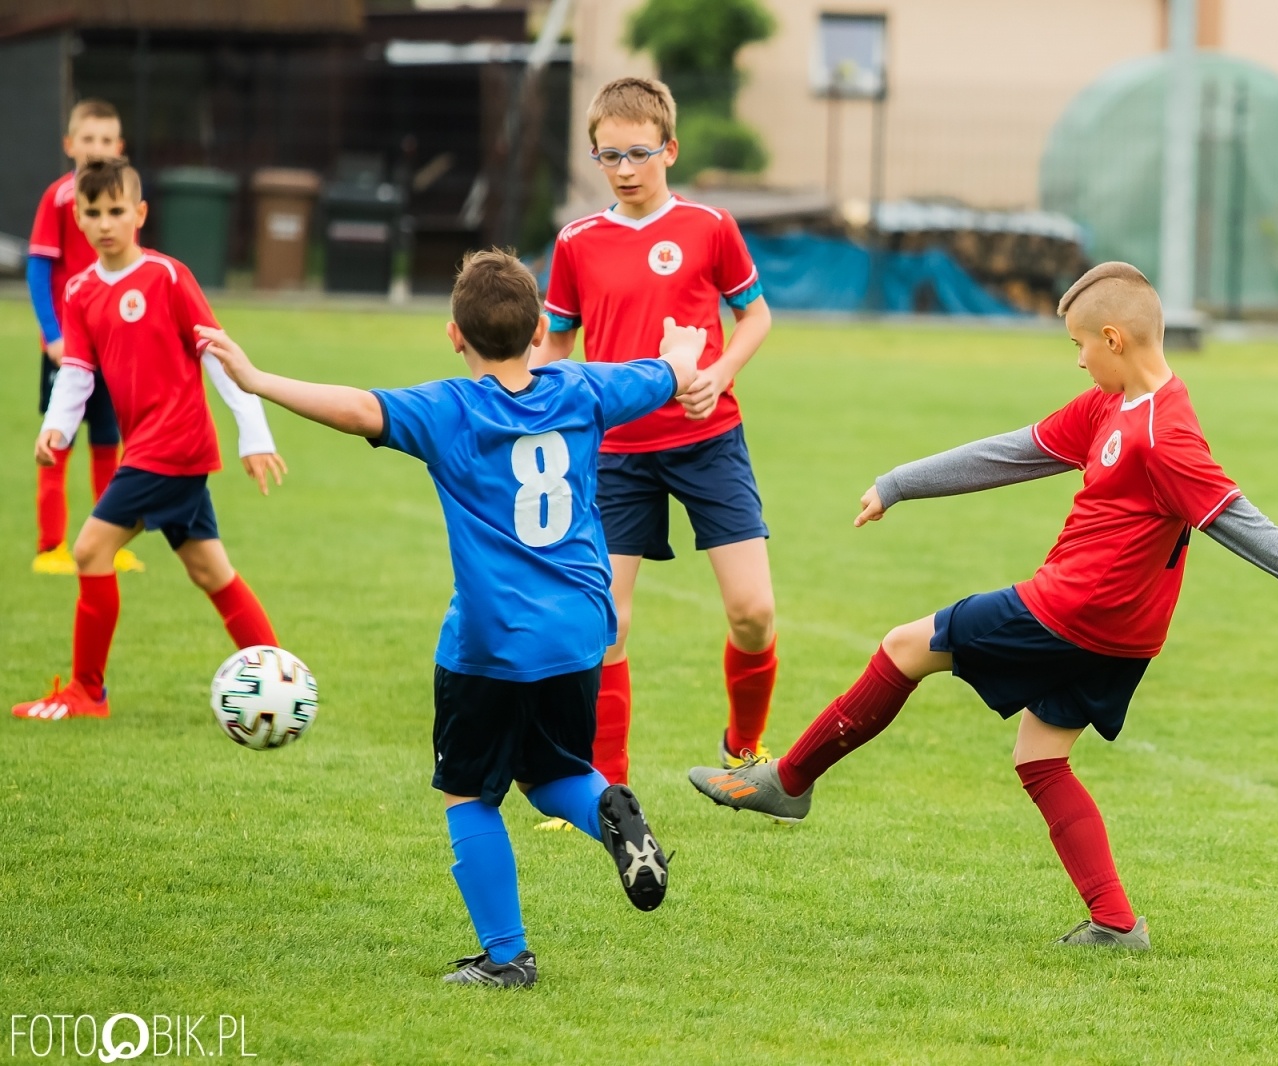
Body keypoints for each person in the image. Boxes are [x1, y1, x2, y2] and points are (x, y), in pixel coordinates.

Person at [689, 262, 1278, 951]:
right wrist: (903, 482)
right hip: (1121, 635)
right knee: (1041, 759)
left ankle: (787, 782)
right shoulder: (1113, 405)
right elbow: (1016, 452)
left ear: (1115, 341)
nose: (1078, 362)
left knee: (906, 646)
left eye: (1080, 346)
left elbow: (1246, 527)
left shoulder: (1164, 433)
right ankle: (1117, 924)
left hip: (1072, 610)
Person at [199, 248, 706, 986]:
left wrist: (255, 381)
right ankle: (610, 808)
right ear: (540, 332)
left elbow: (354, 407)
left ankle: (507, 958)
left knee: (470, 792)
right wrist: (679, 356)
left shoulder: (449, 409)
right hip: (580, 631)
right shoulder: (584, 387)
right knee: (552, 770)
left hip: (491, 643)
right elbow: (667, 376)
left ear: (453, 335)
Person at [539, 76, 778, 799]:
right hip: (614, 455)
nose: (624, 170)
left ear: (669, 149)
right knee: (606, 624)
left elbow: (756, 316)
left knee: (754, 614)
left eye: (638, 153)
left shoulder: (710, 227)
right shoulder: (576, 242)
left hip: (709, 441)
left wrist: (721, 370)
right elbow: (556, 347)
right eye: (607, 157)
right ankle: (605, 788)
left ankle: (743, 746)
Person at [12, 158, 286, 722]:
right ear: (80, 222)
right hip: (156, 452)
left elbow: (219, 355)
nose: (106, 222)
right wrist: (56, 429)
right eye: (94, 213)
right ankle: (282, 681)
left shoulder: (166, 276)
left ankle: (87, 693)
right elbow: (79, 372)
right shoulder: (83, 290)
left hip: (173, 446)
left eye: (117, 210)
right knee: (211, 570)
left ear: (139, 213)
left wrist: (253, 434)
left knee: (89, 550)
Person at [26, 99, 140, 575]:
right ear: (70, 145)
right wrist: (52, 335)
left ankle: (108, 543)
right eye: (86, 140)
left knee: (107, 446)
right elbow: (38, 269)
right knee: (58, 444)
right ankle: (51, 546)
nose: (95, 149)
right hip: (67, 348)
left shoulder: (123, 203)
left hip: (109, 350)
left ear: (119, 147)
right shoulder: (59, 198)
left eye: (105, 141)